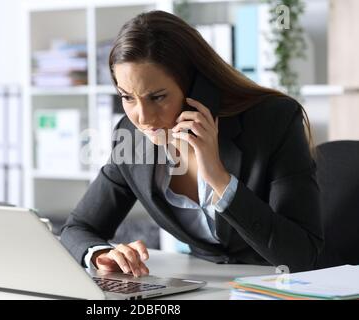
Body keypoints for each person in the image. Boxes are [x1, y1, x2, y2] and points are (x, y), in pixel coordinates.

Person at [61, 10, 323, 276]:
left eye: (158, 97)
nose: (143, 118)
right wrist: (100, 254)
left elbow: (302, 256)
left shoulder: (273, 121)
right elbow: (77, 228)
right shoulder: (133, 137)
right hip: (205, 284)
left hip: (280, 285)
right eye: (127, 97)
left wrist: (220, 180)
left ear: (198, 88)